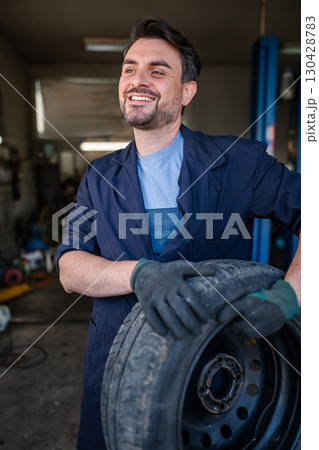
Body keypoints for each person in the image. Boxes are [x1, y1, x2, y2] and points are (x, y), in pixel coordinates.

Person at [57, 18, 301, 450]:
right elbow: (69, 266)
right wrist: (139, 274)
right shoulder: (96, 177)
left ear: (186, 91)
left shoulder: (239, 162)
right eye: (129, 68)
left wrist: (291, 294)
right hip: (118, 381)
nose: (138, 80)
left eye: (157, 70)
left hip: (223, 379)